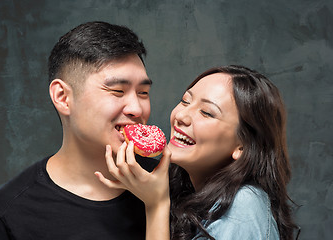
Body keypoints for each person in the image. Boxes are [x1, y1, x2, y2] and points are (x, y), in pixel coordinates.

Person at [0, 21, 158, 240]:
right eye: (118, 91)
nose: (137, 109)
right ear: (63, 97)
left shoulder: (171, 186)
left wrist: (158, 203)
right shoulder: (7, 216)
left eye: (143, 93)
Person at [96, 65, 298, 240]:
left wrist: (156, 205)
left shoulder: (242, 206)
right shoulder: (190, 193)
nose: (181, 116)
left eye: (207, 112)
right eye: (185, 101)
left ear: (242, 147)